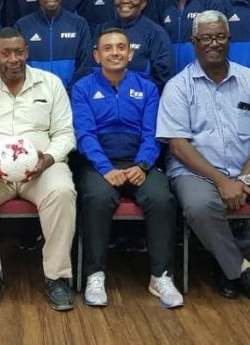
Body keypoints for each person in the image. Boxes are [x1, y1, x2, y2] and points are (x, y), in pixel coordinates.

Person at [156, 10, 250, 306]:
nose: (213, 43)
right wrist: (221, 182)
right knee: (200, 206)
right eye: (206, 38)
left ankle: (225, 260)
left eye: (220, 37)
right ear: (193, 42)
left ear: (229, 39)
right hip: (197, 172)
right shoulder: (178, 86)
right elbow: (178, 146)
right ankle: (241, 269)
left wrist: (243, 178)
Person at [0, 27, 77, 311]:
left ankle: (57, 277)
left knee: (62, 190)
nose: (13, 59)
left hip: (42, 168)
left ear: (27, 52)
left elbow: (65, 134)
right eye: (6, 53)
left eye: (18, 52)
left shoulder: (51, 84)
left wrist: (46, 159)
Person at [73, 28, 182, 308]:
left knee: (161, 198)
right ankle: (95, 274)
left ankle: (161, 276)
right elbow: (85, 134)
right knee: (98, 198)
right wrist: (105, 167)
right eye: (107, 48)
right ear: (97, 55)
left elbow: (153, 133)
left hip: (139, 164)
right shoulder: (83, 88)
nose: (115, 52)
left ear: (131, 53)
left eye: (121, 47)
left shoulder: (147, 88)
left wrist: (143, 164)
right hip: (99, 165)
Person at [13, 0, 92, 87]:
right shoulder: (22, 26)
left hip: (70, 97)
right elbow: (17, 64)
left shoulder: (79, 25)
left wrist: (71, 93)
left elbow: (85, 65)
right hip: (32, 98)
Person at [98, 0, 174, 90]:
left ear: (143, 3)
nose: (125, 0)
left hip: (141, 99)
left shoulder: (155, 33)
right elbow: (92, 68)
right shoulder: (102, 30)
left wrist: (131, 93)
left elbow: (162, 77)